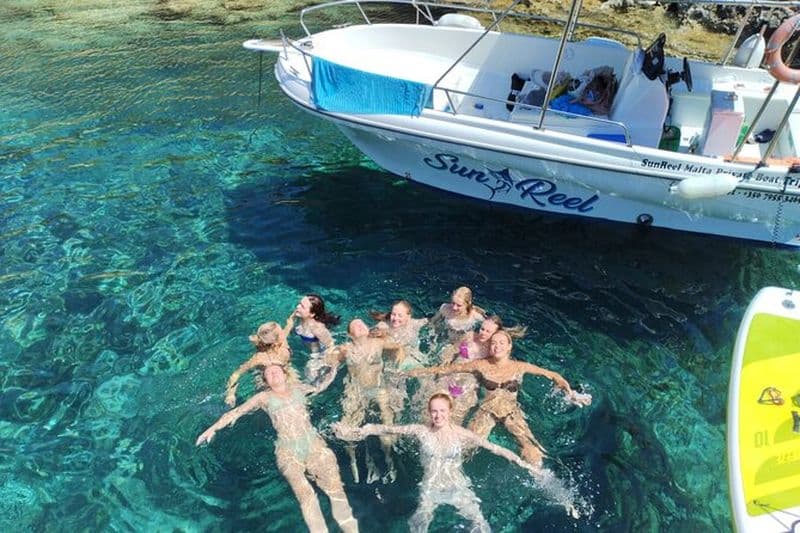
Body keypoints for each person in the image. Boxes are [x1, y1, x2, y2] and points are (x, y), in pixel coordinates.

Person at [334, 392, 567, 532]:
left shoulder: (463, 435)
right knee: (418, 525)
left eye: (442, 410)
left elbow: (496, 449)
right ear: (429, 412)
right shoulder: (419, 431)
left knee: (481, 524)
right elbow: (384, 427)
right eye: (433, 411)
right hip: (430, 488)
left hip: (458, 487)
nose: (437, 415)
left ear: (450, 410)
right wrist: (358, 431)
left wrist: (525, 465)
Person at [196, 358, 358, 533]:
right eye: (268, 374)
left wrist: (335, 367)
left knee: (336, 492)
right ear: (266, 381)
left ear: (285, 374)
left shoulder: (299, 389)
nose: (273, 374)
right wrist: (213, 428)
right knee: (306, 497)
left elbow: (321, 386)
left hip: (314, 445)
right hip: (287, 451)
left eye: (276, 371)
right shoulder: (263, 397)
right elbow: (236, 412)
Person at [407, 330, 592, 469]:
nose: (497, 346)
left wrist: (570, 392)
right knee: (466, 448)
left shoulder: (519, 366)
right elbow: (446, 370)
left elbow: (552, 374)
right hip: (486, 411)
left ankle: (540, 476)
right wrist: (414, 373)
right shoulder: (480, 365)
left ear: (510, 346)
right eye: (494, 343)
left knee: (531, 447)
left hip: (511, 412)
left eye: (502, 343)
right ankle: (440, 470)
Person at [324, 318, 406, 484]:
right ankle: (352, 459)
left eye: (362, 323)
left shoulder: (378, 343)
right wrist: (333, 354)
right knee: (347, 426)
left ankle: (389, 453)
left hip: (378, 387)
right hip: (356, 390)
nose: (360, 326)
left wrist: (399, 359)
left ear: (368, 329)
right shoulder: (346, 348)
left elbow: (398, 347)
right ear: (349, 334)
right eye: (355, 325)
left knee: (386, 414)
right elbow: (330, 361)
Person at [224, 316, 294, 407]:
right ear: (276, 341)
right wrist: (230, 394)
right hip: (266, 377)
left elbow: (288, 327)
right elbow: (236, 374)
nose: (283, 334)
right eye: (281, 333)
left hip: (284, 371)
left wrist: (293, 317)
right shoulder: (259, 358)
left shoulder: (281, 341)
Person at [294, 294, 339, 383]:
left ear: (312, 314)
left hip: (316, 354)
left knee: (310, 378)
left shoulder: (317, 329)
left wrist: (326, 364)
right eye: (299, 303)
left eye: (302, 306)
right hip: (305, 347)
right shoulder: (298, 317)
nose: (297, 306)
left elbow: (331, 346)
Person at [429, 287, 486, 358]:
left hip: (463, 342)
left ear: (468, 304)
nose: (454, 308)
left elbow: (488, 327)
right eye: (453, 303)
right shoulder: (445, 308)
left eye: (459, 305)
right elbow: (433, 322)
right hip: (446, 338)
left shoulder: (475, 315)